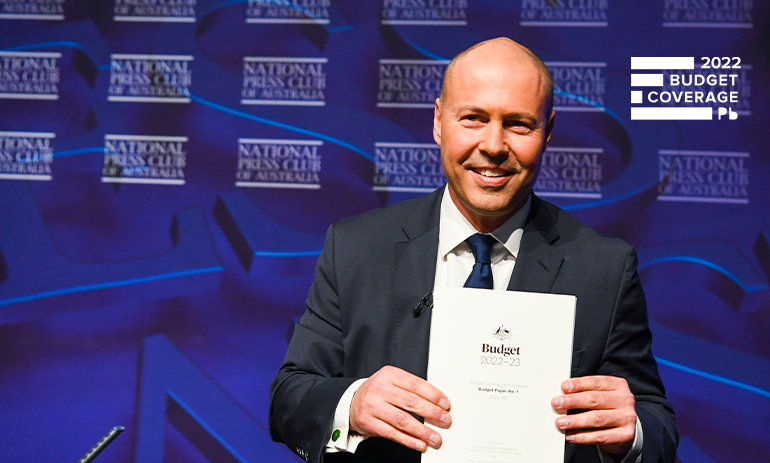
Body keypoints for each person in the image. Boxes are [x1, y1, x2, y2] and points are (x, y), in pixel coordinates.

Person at [269, 37, 678, 463]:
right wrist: (351, 403)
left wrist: (632, 435)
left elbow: (657, 425)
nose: (494, 145)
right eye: (473, 118)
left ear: (548, 132)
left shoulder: (605, 268)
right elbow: (289, 397)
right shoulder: (355, 247)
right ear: (439, 121)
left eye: (519, 124)